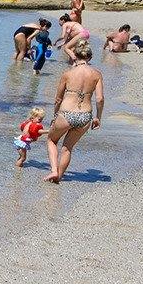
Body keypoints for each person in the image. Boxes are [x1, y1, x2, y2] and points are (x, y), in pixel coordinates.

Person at [44, 40, 102, 183]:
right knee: (67, 147)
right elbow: (100, 99)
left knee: (51, 140)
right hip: (85, 116)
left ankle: (53, 171)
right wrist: (97, 117)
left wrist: (55, 115)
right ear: (90, 57)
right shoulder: (97, 74)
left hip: (66, 114)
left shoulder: (68, 74)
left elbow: (58, 99)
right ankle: (59, 176)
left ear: (75, 56)